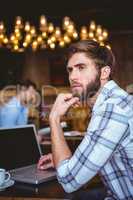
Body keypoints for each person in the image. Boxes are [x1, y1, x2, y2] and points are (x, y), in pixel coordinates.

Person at [38, 40, 133, 200]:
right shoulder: (117, 101)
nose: (73, 76)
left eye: (81, 68)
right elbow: (101, 152)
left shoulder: (111, 109)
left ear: (104, 72)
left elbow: (69, 181)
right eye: (70, 70)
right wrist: (71, 161)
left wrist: (54, 118)